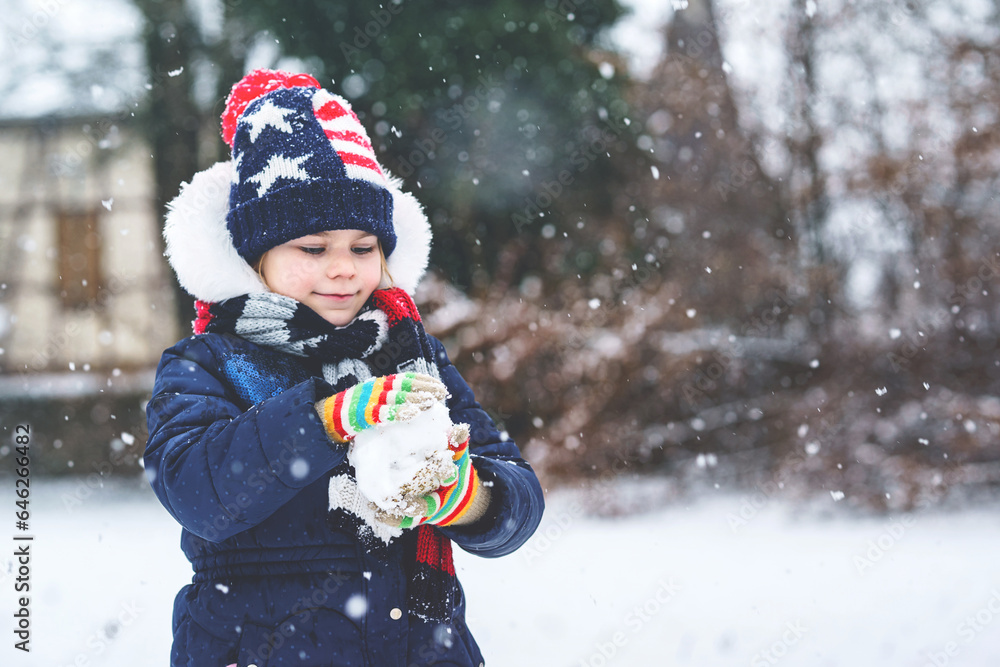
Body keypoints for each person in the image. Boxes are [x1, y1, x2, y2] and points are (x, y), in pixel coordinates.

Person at [144, 68, 545, 667]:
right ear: (257, 257)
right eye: (313, 248)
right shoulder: (208, 362)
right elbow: (200, 493)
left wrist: (467, 498)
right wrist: (326, 417)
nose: (343, 269)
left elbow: (516, 492)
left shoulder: (407, 353)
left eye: (363, 247)